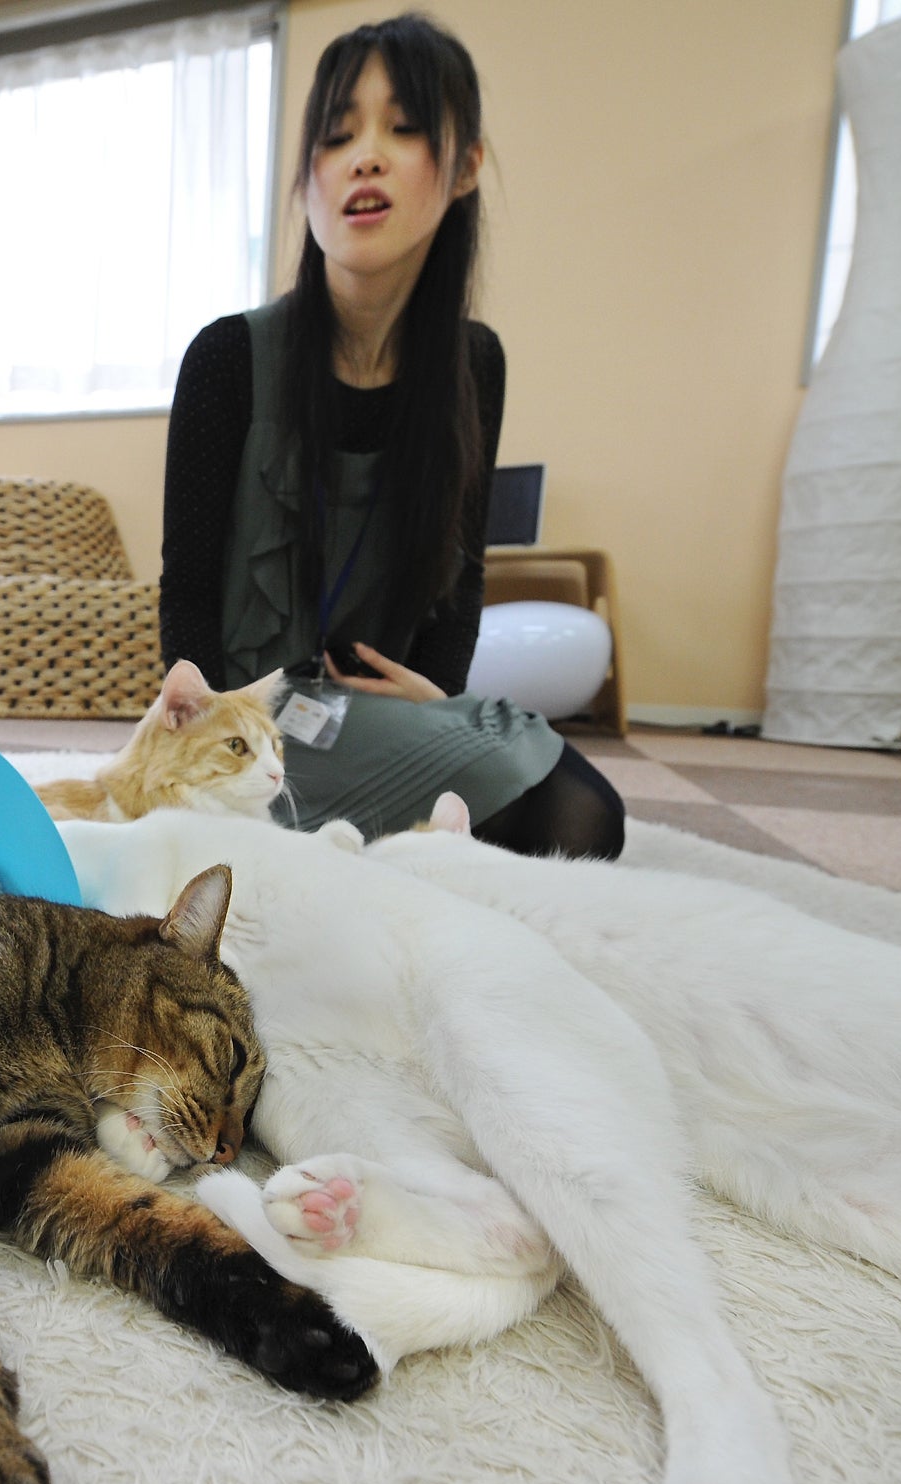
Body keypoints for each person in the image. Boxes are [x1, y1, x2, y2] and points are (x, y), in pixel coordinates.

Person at [160, 13, 625, 859]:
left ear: (465, 167)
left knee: (588, 821)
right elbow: (186, 590)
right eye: (338, 137)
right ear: (307, 180)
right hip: (248, 721)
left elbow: (464, 574)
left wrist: (439, 698)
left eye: (404, 129)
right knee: (568, 815)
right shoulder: (230, 356)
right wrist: (209, 749)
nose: (366, 156)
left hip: (374, 711)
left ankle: (367, 844)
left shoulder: (473, 364)